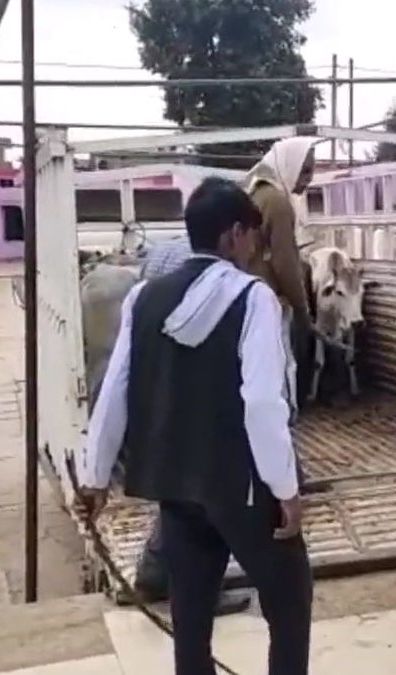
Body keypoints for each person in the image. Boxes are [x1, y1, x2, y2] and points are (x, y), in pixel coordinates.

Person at [75, 177, 312, 675]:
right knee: (289, 602)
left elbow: (114, 391)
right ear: (233, 235)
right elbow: (263, 402)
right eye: (252, 234)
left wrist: (95, 479)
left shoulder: (144, 297)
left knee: (191, 608)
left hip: (175, 483)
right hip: (242, 488)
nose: (255, 246)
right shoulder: (254, 298)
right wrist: (285, 488)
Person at [127, 231, 253, 617]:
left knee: (180, 498)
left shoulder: (164, 256)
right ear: (232, 235)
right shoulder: (224, 280)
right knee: (208, 501)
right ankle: (200, 592)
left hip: (163, 389)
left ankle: (152, 574)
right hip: (199, 394)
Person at [243, 137, 317, 416]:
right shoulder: (277, 202)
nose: (309, 179)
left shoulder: (255, 192)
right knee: (280, 374)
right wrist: (302, 311)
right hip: (269, 301)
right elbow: (285, 262)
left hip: (245, 295)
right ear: (290, 164)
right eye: (305, 170)